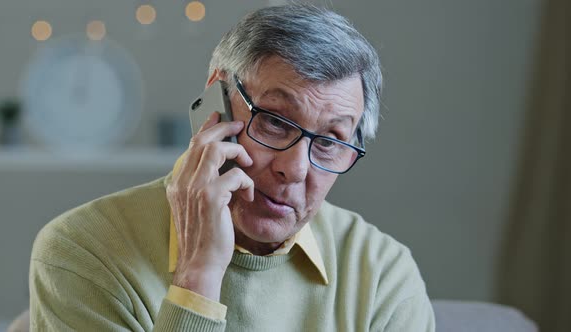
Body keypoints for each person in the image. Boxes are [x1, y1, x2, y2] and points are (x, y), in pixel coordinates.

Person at [29, 4, 435, 331]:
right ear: (217, 100)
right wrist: (197, 278)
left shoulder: (382, 274)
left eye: (329, 142)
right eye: (275, 121)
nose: (294, 169)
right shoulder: (83, 251)